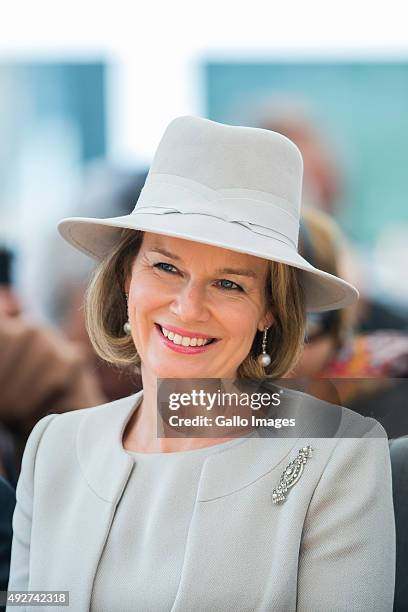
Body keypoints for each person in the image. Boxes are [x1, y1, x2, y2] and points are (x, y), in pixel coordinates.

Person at [7, 116, 395, 611]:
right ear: (127, 276)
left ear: (269, 310)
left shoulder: (339, 458)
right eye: (166, 267)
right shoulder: (54, 447)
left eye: (229, 284)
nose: (188, 307)